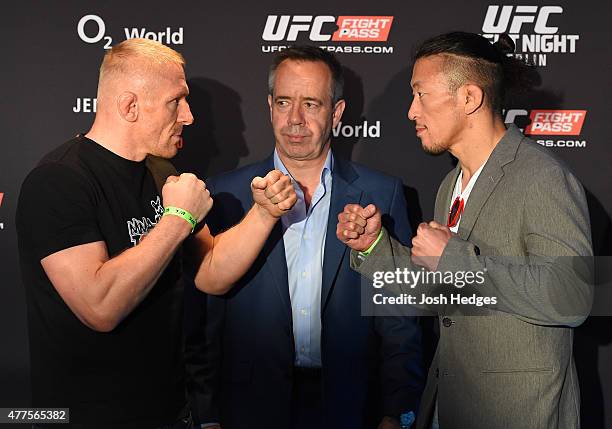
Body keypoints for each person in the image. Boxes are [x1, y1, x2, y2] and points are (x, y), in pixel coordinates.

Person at [16, 38, 296, 428]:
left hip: (169, 412)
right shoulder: (59, 181)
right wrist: (178, 218)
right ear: (130, 106)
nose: (189, 116)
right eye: (176, 101)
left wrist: (264, 214)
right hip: (90, 417)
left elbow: (211, 271)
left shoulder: (161, 172)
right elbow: (100, 306)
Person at [337, 32, 593, 429]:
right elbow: (445, 295)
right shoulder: (450, 185)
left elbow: (572, 295)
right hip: (452, 405)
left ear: (469, 98)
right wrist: (374, 248)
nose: (410, 111)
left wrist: (455, 260)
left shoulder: (541, 177)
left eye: (421, 94)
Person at [185, 46, 423, 429]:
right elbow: (204, 321)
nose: (295, 119)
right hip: (248, 409)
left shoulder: (382, 194)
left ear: (337, 113)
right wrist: (207, 414)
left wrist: (395, 411)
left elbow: (397, 319)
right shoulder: (225, 195)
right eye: (284, 102)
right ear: (269, 106)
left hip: (351, 408)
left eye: (311, 104)